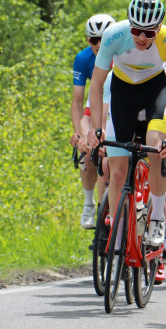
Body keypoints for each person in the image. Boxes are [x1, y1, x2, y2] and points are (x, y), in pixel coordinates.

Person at [86, 0, 166, 254]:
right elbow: (96, 85)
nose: (141, 37)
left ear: (159, 28)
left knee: (156, 147)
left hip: (156, 91)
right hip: (122, 93)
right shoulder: (113, 36)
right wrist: (97, 128)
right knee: (116, 172)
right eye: (136, 30)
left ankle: (156, 221)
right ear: (129, 25)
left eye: (149, 32)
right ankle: (118, 237)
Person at [71, 14, 115, 228]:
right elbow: (78, 102)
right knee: (89, 150)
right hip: (98, 105)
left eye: (104, 38)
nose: (99, 44)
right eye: (93, 40)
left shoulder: (124, 57)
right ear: (88, 40)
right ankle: (91, 206)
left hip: (121, 106)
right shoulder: (83, 59)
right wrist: (80, 134)